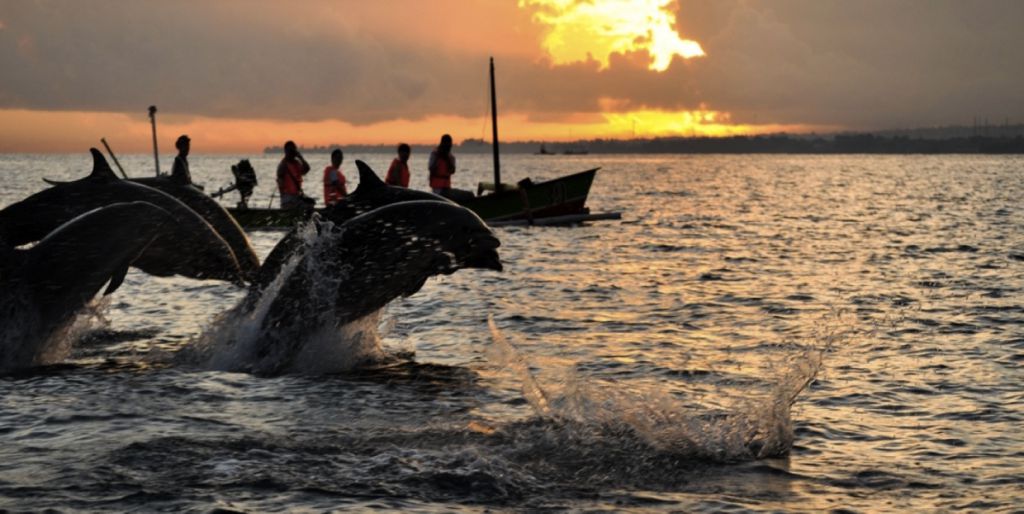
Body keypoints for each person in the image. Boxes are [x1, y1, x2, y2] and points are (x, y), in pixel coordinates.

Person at [277, 140, 312, 210]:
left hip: (297, 197)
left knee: (310, 205)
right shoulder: (283, 165)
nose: (292, 153)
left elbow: (307, 169)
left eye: (293, 150)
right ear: (286, 151)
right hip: (287, 198)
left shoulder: (297, 164)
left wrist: (300, 157)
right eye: (290, 151)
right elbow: (280, 181)